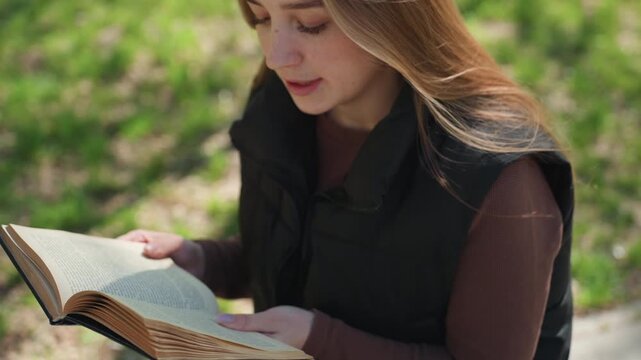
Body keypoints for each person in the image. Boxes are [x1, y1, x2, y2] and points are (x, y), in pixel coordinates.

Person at [119, 1, 574, 359]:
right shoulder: (284, 112)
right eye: (261, 16)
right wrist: (201, 261)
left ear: (390, 14)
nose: (277, 56)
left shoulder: (502, 181)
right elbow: (306, 257)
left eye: (311, 23)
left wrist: (319, 341)